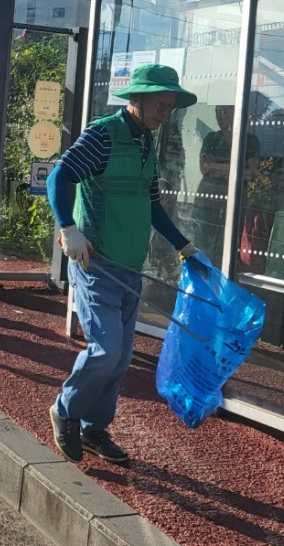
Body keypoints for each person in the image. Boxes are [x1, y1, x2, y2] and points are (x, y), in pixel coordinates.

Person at [46, 63, 204, 464]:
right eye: (159, 104)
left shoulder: (145, 145)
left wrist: (184, 247)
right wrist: (68, 228)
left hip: (130, 264)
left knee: (121, 355)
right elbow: (59, 176)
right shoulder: (103, 135)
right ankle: (65, 409)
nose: (164, 113)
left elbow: (152, 205)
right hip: (96, 261)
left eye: (170, 106)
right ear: (137, 99)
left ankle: (94, 427)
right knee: (105, 349)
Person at [193, 105, 261, 257]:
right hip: (207, 202)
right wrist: (239, 168)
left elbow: (251, 174)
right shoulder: (211, 138)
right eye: (217, 111)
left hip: (235, 203)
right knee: (203, 244)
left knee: (227, 247)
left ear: (235, 112)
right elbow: (204, 168)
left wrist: (216, 168)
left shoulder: (249, 140)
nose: (219, 116)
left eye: (224, 111)